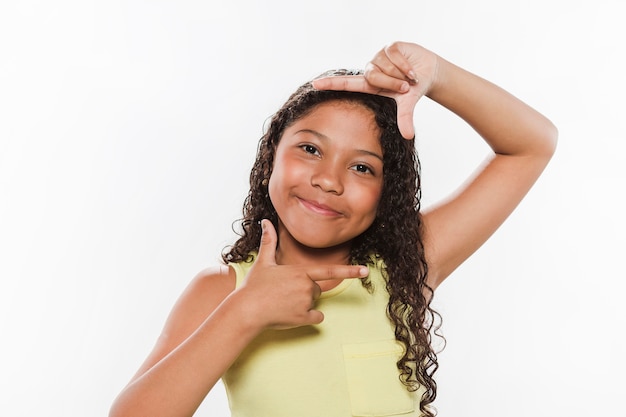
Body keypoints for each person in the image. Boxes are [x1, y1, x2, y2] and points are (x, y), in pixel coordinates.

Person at [109, 41, 557, 417]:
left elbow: (531, 145)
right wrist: (245, 311)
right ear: (271, 157)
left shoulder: (404, 269)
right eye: (310, 148)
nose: (329, 180)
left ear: (388, 193)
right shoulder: (222, 292)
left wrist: (438, 75)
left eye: (363, 167)